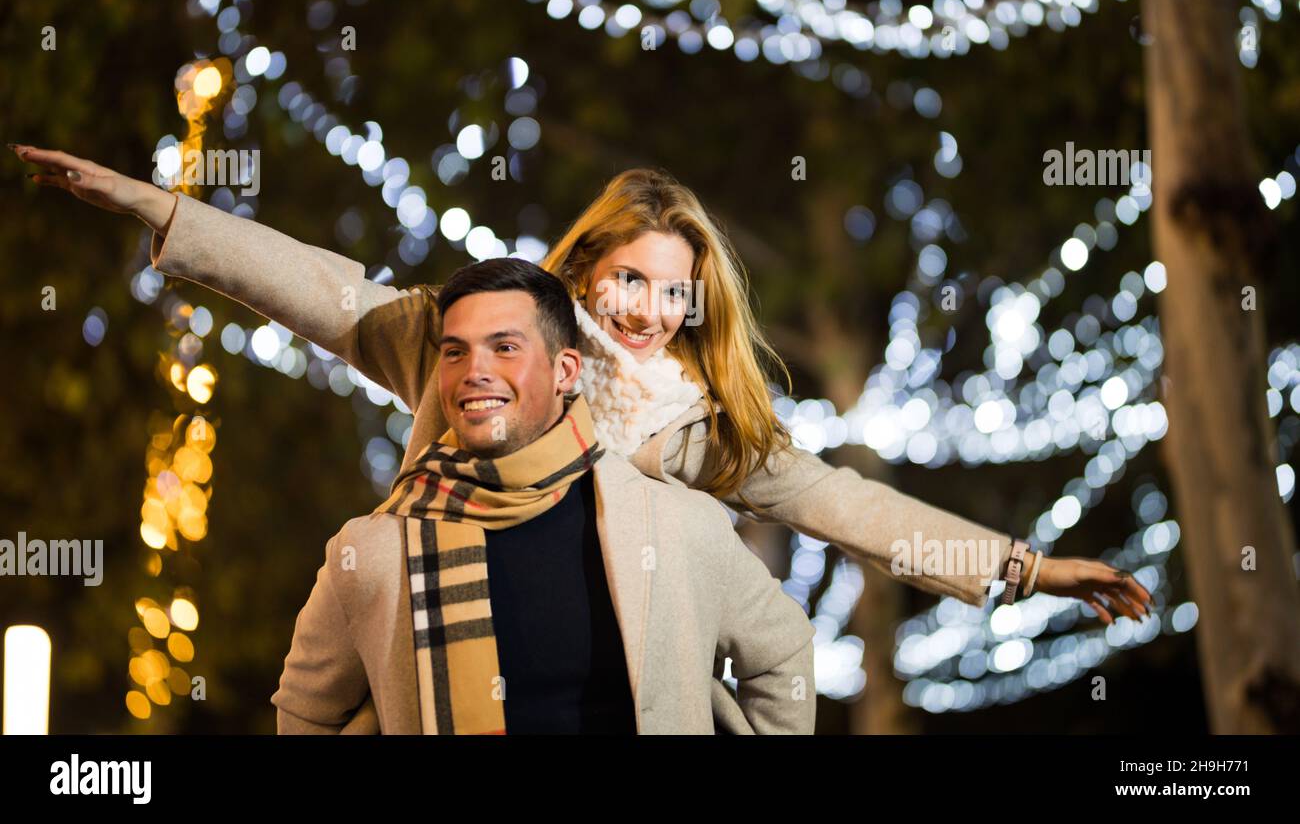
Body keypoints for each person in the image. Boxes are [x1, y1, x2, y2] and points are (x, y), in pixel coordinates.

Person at [11, 145, 1153, 623]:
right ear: (583, 266)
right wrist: (162, 210)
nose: (651, 312)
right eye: (630, 280)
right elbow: (326, 292)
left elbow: (851, 507)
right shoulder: (471, 344)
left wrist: (1026, 566)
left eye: (674, 293)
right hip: (446, 654)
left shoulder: (697, 428)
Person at [271, 257, 815, 733]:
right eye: (455, 353)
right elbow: (306, 714)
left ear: (565, 371)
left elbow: (783, 652)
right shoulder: (372, 554)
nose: (475, 372)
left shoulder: (677, 525)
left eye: (504, 347)